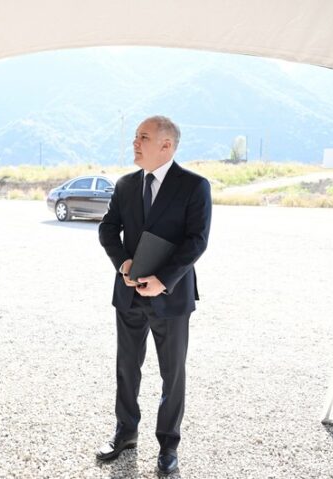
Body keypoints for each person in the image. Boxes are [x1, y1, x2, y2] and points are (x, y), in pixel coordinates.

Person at [96, 116, 212, 475]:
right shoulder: (126, 185)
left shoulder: (194, 186)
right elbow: (107, 229)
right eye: (135, 137)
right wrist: (123, 263)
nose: (135, 143)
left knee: (172, 374)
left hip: (170, 297)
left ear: (166, 145)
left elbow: (197, 241)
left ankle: (168, 445)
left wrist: (164, 279)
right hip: (128, 294)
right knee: (126, 368)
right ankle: (126, 433)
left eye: (142, 137)